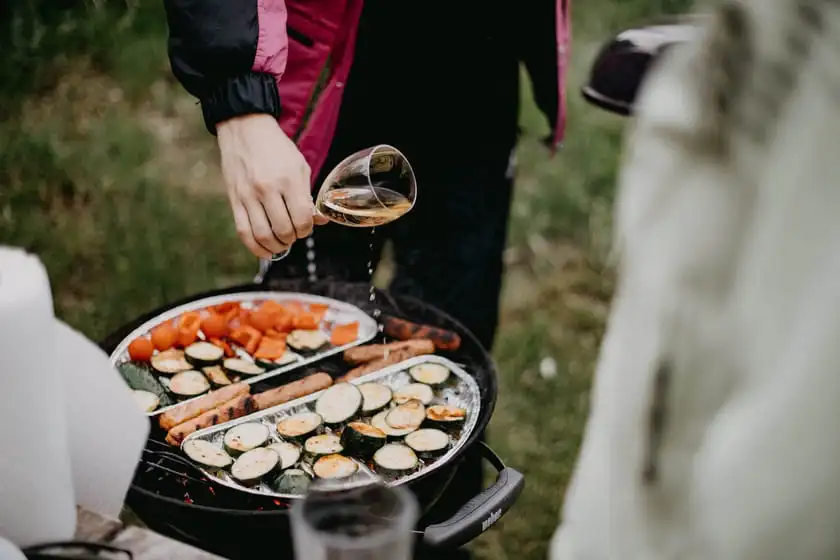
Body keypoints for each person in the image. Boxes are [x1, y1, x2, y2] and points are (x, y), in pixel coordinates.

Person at [163, 0, 569, 555]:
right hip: (337, 65)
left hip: (483, 63)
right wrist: (239, 98)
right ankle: (304, 535)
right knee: (297, 346)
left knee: (460, 348)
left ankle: (441, 537)